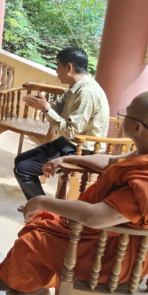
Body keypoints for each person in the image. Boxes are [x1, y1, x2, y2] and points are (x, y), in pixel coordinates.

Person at [0, 91, 148, 295]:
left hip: (115, 258)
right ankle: (38, 286)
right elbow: (111, 161)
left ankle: (30, 288)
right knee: (44, 219)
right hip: (109, 239)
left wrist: (41, 200)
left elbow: (95, 217)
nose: (122, 115)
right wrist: (66, 158)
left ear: (137, 127)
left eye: (126, 113)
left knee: (30, 241)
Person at [13, 47, 109, 201]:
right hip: (67, 143)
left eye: (58, 67)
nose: (56, 72)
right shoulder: (76, 88)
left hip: (80, 150)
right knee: (20, 160)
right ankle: (36, 203)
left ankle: (42, 209)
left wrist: (46, 110)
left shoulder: (87, 92)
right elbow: (57, 107)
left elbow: (71, 131)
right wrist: (44, 104)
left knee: (23, 169)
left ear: (69, 67)